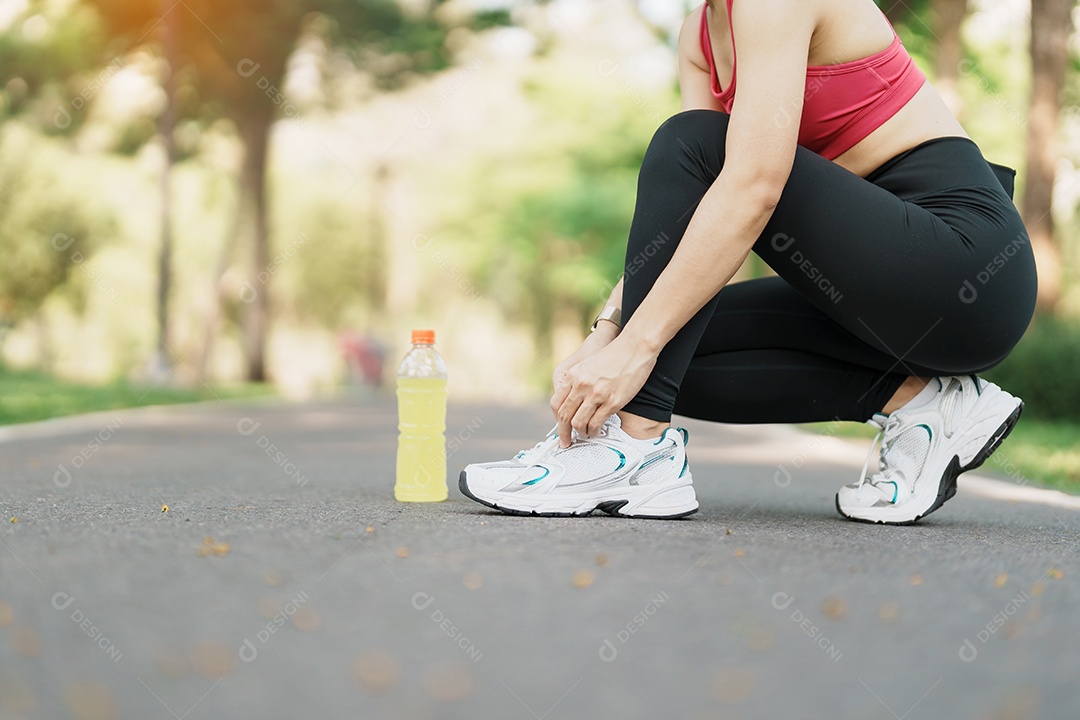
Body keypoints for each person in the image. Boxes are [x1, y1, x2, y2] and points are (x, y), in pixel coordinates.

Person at [460, 0, 1036, 524]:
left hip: (962, 270)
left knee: (689, 151)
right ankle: (925, 402)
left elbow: (749, 184)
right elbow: (695, 217)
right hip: (874, 299)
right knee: (674, 351)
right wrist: (610, 331)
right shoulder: (697, 38)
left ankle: (633, 447)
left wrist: (636, 347)